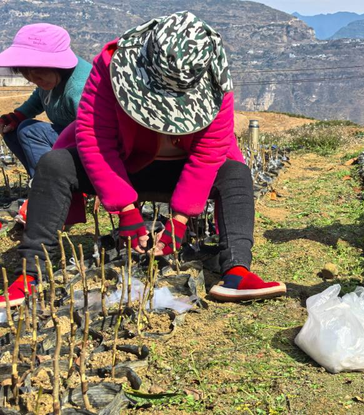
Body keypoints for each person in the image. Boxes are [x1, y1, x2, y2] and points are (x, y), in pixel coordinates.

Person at [0, 11, 286, 307]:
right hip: (126, 164)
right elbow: (94, 137)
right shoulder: (111, 64)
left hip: (180, 170)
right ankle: (29, 276)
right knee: (54, 164)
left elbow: (209, 150)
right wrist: (125, 209)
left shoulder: (214, 77)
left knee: (235, 174)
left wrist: (180, 219)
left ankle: (237, 271)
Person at [0, 24, 91, 178]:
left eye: (39, 77)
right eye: (28, 77)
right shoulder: (51, 79)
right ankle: (41, 181)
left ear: (57, 65)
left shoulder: (79, 88)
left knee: (30, 131)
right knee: (12, 130)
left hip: (87, 141)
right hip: (69, 136)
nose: (35, 81)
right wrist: (18, 116)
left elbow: (93, 133)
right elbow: (40, 98)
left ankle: (52, 184)